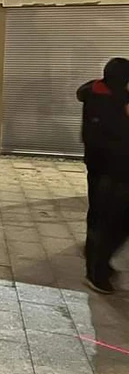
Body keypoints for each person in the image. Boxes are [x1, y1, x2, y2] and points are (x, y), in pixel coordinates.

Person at [78, 57, 129, 294]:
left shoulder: (97, 91)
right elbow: (112, 137)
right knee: (110, 219)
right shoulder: (108, 101)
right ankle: (97, 269)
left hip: (104, 167)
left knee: (101, 215)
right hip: (113, 170)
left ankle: (97, 261)